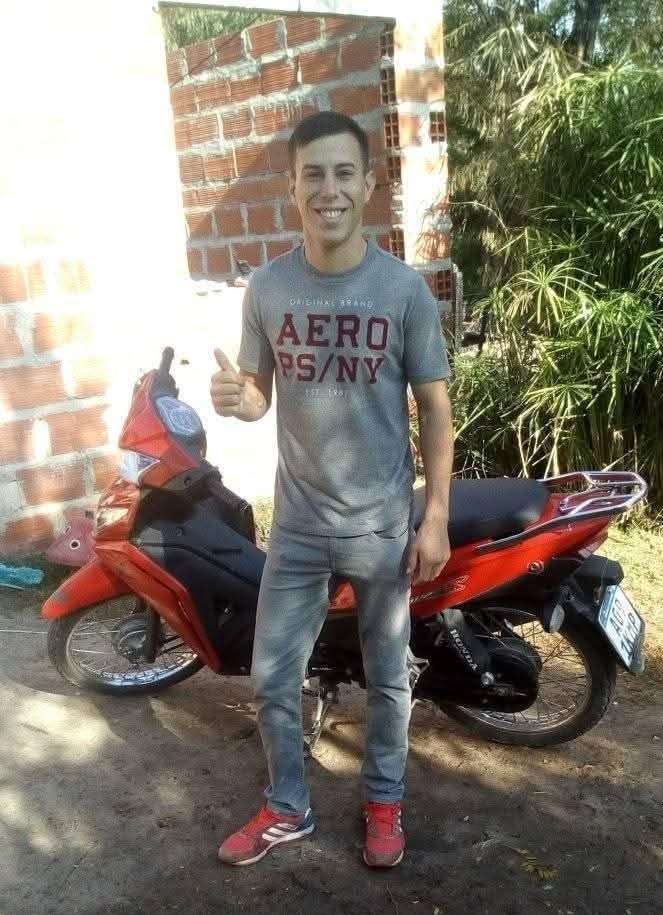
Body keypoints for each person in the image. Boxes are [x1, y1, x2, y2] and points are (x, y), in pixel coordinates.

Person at [210, 111, 454, 868]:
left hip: (381, 525)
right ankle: (287, 807)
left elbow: (435, 407)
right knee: (270, 677)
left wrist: (435, 516)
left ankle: (383, 801)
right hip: (299, 526)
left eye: (343, 172)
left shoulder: (402, 291)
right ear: (292, 187)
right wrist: (238, 399)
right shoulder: (268, 287)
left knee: (388, 677)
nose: (329, 189)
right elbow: (259, 395)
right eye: (312, 174)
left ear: (368, 183)